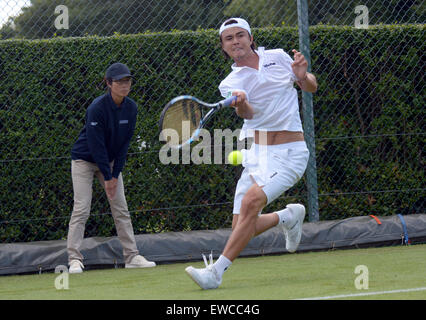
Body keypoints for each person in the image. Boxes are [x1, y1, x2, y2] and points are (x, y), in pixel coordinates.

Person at [185, 18, 317, 289]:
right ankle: (287, 217)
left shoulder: (279, 57)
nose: (236, 41)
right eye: (229, 38)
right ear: (224, 47)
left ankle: (215, 273)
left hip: (290, 152)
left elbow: (311, 87)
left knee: (250, 204)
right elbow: (249, 114)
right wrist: (241, 105)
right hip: (257, 153)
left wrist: (303, 76)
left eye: (240, 35)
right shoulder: (230, 82)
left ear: (250, 38)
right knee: (242, 227)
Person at [67, 62, 156, 273]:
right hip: (84, 160)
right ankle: (74, 259)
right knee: (81, 208)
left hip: (111, 163)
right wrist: (108, 177)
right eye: (119, 81)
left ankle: (132, 257)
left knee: (121, 208)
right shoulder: (96, 108)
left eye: (128, 81)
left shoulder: (131, 107)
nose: (125, 85)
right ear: (108, 83)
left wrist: (114, 174)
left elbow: (124, 145)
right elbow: (96, 146)